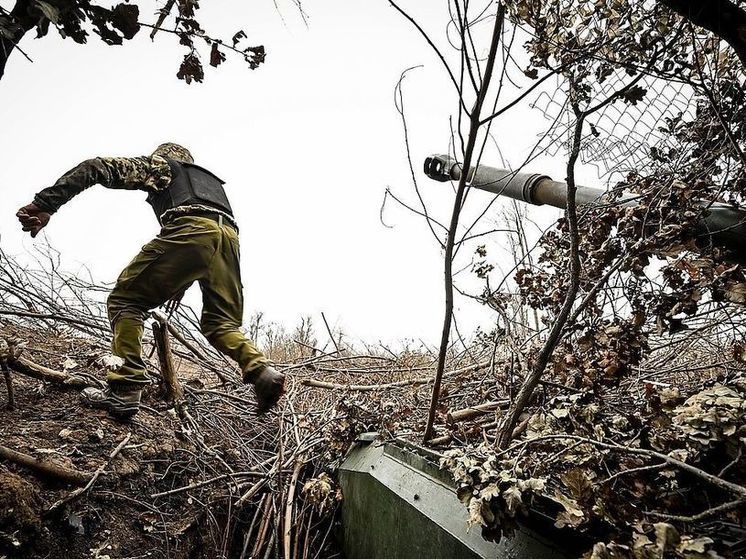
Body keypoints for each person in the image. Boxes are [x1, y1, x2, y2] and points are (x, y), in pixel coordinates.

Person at [16, 142, 285, 419]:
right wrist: (178, 281)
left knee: (126, 301)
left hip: (192, 231)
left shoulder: (163, 167)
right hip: (228, 239)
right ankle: (261, 370)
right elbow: (209, 237)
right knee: (221, 324)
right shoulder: (210, 186)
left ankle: (125, 388)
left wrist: (45, 204)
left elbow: (95, 167)